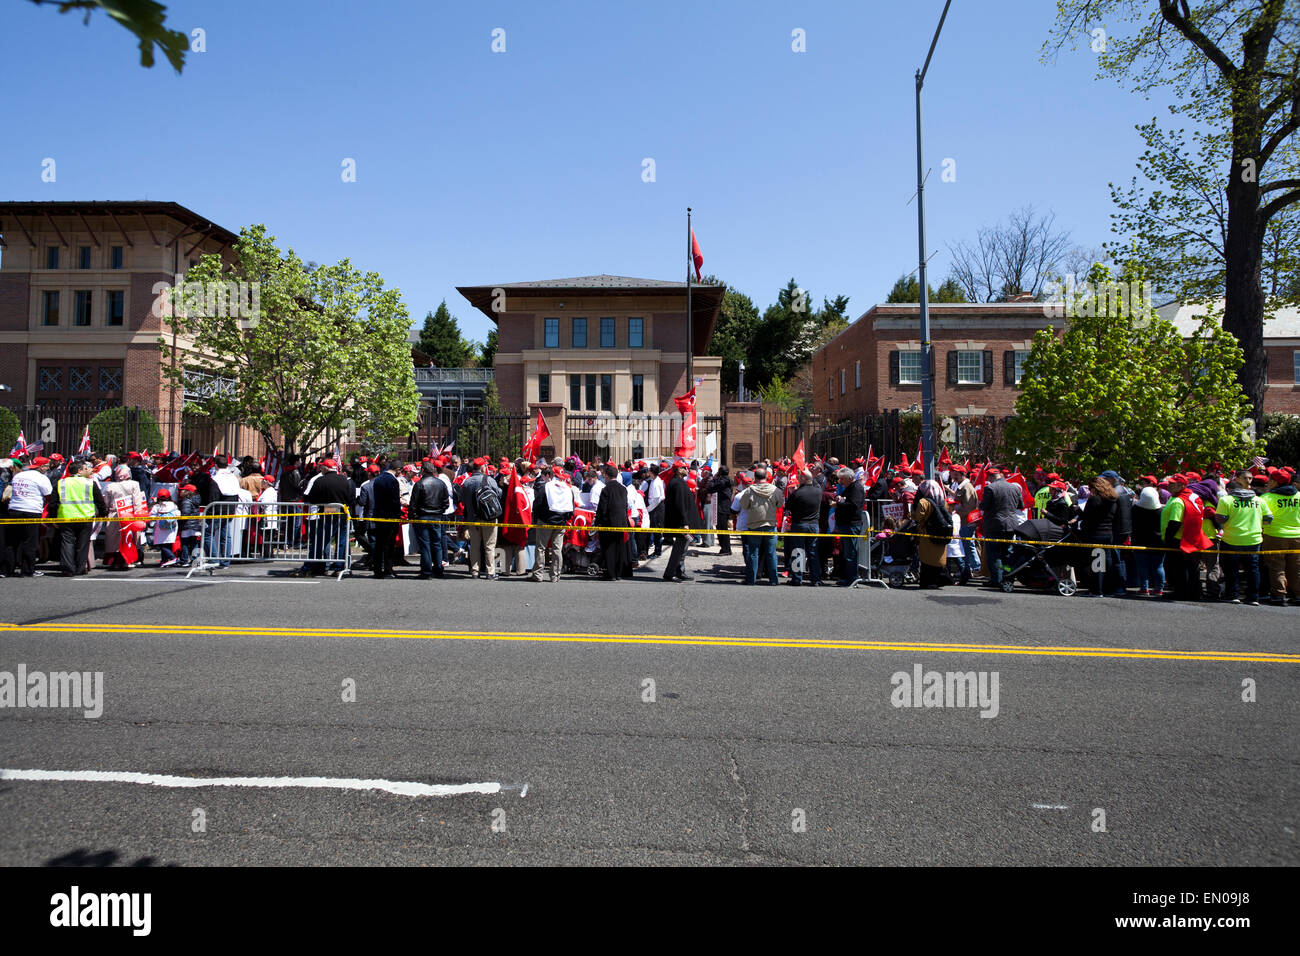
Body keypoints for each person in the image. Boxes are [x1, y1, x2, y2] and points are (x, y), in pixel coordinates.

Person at [1215, 477, 1273, 606]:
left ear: (1230, 490)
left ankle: (1232, 595)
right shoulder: (1259, 500)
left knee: (1231, 569)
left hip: (1231, 538)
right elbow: (1269, 518)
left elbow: (1220, 519)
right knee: (1253, 569)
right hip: (1253, 539)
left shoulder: (1226, 500)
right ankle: (1253, 597)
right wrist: (1256, 523)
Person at [53, 459, 107, 576]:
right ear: (79, 471)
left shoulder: (61, 483)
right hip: (85, 517)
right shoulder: (89, 483)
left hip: (66, 517)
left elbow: (53, 503)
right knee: (83, 544)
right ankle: (80, 568)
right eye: (85, 468)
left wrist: (53, 518)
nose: (87, 470)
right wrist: (103, 514)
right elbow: (99, 501)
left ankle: (68, 569)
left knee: (67, 543)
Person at [734, 465, 782, 585]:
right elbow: (780, 505)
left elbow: (744, 505)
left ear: (754, 478)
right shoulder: (775, 490)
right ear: (766, 477)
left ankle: (751, 579)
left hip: (754, 525)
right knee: (771, 553)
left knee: (753, 553)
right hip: (770, 524)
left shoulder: (750, 490)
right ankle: (774, 580)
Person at [5, 457, 53, 577]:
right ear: (42, 467)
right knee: (30, 541)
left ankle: (7, 570)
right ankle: (27, 570)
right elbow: (49, 495)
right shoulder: (42, 478)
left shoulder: (18, 475)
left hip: (14, 509)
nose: (47, 469)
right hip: (31, 510)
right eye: (46, 466)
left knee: (12, 541)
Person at [979, 467, 1025, 589]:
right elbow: (1021, 505)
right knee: (1007, 554)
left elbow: (984, 506)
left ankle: (997, 579)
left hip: (994, 525)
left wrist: (980, 504)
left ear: (990, 477)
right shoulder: (1014, 487)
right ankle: (1008, 577)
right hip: (1011, 525)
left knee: (994, 555)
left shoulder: (990, 488)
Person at [459, 458, 502, 580]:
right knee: (489, 545)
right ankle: (490, 572)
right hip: (489, 517)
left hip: (472, 518)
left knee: (474, 546)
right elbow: (498, 494)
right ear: (482, 468)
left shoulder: (467, 482)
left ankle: (475, 571)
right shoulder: (489, 480)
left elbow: (463, 500)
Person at [407, 461, 449, 579]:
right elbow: (446, 502)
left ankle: (426, 571)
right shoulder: (440, 483)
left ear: (423, 471)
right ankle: (438, 569)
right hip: (436, 516)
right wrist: (439, 511)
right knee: (437, 544)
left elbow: (413, 503)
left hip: (423, 516)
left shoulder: (420, 484)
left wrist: (412, 516)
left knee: (425, 545)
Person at [1078, 475, 1119, 597]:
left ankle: (1096, 590)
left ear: (1095, 488)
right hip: (1108, 533)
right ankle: (1108, 589)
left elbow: (1087, 517)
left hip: (1095, 534)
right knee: (1107, 562)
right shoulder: (1113, 499)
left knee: (1096, 564)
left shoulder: (1094, 499)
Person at [594, 463, 633, 580]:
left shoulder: (606, 489)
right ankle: (618, 573)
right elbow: (625, 506)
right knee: (619, 548)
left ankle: (610, 574)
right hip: (621, 523)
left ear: (606, 476)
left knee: (609, 548)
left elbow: (602, 508)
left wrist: (598, 521)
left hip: (608, 523)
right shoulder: (623, 489)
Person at [784, 469, 822, 586]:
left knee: (798, 551)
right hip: (814, 524)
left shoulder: (797, 493)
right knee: (813, 551)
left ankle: (797, 579)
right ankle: (816, 579)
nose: (798, 479)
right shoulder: (818, 491)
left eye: (800, 477)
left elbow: (788, 506)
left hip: (799, 524)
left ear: (804, 479)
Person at [662, 459, 695, 582]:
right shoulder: (677, 483)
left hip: (682, 522)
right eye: (685, 468)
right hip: (681, 523)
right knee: (679, 548)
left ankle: (680, 571)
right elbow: (680, 505)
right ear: (679, 470)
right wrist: (684, 522)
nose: (687, 470)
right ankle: (669, 573)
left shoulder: (679, 482)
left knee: (682, 548)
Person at [370, 460, 403, 578]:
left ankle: (377, 569)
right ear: (397, 469)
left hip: (379, 514)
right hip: (390, 515)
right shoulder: (393, 481)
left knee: (379, 543)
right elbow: (395, 501)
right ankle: (388, 569)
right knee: (389, 544)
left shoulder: (378, 479)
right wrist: (398, 513)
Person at [833, 467, 866, 586]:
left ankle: (852, 579)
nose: (840, 482)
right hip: (846, 524)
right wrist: (840, 499)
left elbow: (853, 505)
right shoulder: (849, 488)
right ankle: (848, 577)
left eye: (842, 479)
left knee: (851, 553)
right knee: (847, 552)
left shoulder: (856, 488)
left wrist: (840, 502)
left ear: (850, 478)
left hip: (851, 524)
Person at [1131, 484, 1165, 596]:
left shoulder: (1135, 509)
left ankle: (1144, 588)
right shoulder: (1161, 510)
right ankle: (1159, 589)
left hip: (1139, 541)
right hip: (1158, 542)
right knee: (1158, 566)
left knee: (1142, 567)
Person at [148, 489, 181, 567]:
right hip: (172, 527)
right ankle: (164, 561)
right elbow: (178, 514)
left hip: (161, 528)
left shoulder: (157, 506)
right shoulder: (173, 505)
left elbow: (151, 515)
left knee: (161, 544)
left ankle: (173, 558)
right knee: (168, 544)